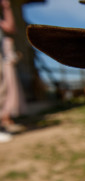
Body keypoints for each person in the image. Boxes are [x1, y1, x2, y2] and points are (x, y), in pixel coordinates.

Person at [0, 0, 26, 135]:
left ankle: (4, 120)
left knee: (6, 88)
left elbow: (10, 27)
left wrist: (7, 7)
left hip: (4, 57)